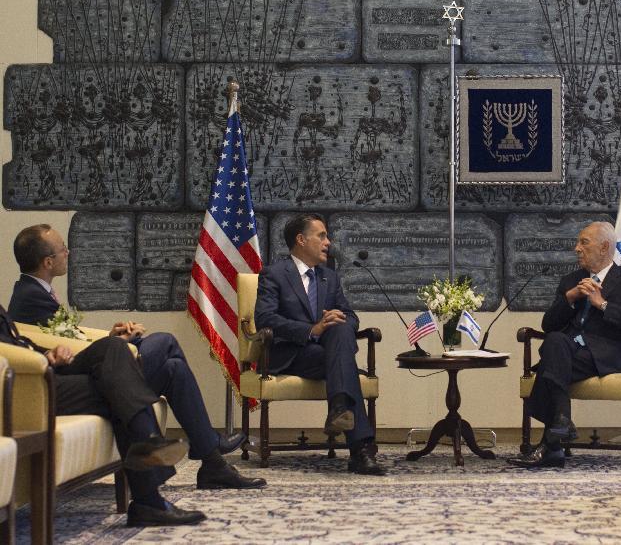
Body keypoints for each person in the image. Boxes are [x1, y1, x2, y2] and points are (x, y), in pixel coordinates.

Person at [8, 224, 265, 491]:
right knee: (165, 342)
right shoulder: (30, 297)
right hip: (78, 381)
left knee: (173, 369)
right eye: (63, 249)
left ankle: (213, 465)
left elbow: (65, 340)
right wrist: (116, 347)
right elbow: (57, 352)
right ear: (48, 262)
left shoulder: (34, 291)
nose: (68, 252)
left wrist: (110, 338)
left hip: (88, 368)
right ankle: (210, 445)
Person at [0, 303, 206, 526]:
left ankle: (149, 456)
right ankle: (149, 491)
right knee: (119, 386)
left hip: (46, 369)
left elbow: (17, 342)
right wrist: (40, 361)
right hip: (28, 384)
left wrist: (49, 353)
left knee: (112, 346)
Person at [508, 221, 621, 469]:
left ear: (604, 247)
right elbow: (549, 324)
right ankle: (560, 426)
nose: (577, 248)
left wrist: (602, 303)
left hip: (608, 354)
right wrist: (569, 298)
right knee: (555, 341)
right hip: (570, 352)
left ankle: (553, 443)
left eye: (584, 242)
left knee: (551, 361)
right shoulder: (571, 281)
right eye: (577, 243)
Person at [254, 213, 385, 475]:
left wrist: (337, 319)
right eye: (321, 236)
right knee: (343, 362)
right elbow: (265, 319)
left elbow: (351, 316)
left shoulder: (330, 277)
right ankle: (361, 450)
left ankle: (339, 407)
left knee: (341, 326)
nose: (328, 242)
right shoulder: (274, 274)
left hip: (326, 353)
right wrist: (311, 329)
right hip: (291, 354)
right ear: (301, 240)